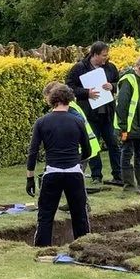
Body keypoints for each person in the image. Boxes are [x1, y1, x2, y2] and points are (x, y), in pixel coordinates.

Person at [26, 82, 92, 247]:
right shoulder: (78, 122)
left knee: (46, 215)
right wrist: (75, 161)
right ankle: (83, 247)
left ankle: (42, 248)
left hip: (52, 173)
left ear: (52, 100)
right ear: (69, 99)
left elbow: (32, 152)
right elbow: (88, 150)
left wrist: (30, 178)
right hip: (74, 174)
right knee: (79, 215)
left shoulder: (41, 122)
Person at [65, 41, 122, 185]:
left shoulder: (110, 67)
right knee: (93, 146)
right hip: (90, 114)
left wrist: (112, 86)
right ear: (95, 54)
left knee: (113, 144)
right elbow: (69, 87)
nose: (106, 58)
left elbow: (119, 83)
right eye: (103, 55)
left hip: (107, 113)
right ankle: (97, 175)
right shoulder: (79, 68)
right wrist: (86, 93)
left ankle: (118, 174)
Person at [115, 55, 140, 193]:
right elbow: (122, 106)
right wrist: (123, 129)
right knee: (127, 153)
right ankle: (129, 186)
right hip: (128, 127)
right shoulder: (128, 80)